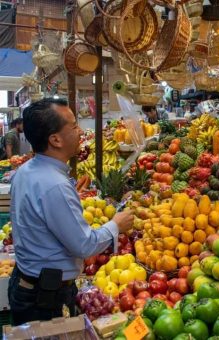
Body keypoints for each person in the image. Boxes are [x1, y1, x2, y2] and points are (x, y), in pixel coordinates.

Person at [8, 98, 134, 326]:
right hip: (45, 298)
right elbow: (84, 246)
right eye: (74, 126)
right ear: (55, 139)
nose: (80, 131)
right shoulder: (55, 185)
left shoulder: (25, 171)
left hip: (27, 284)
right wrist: (116, 224)